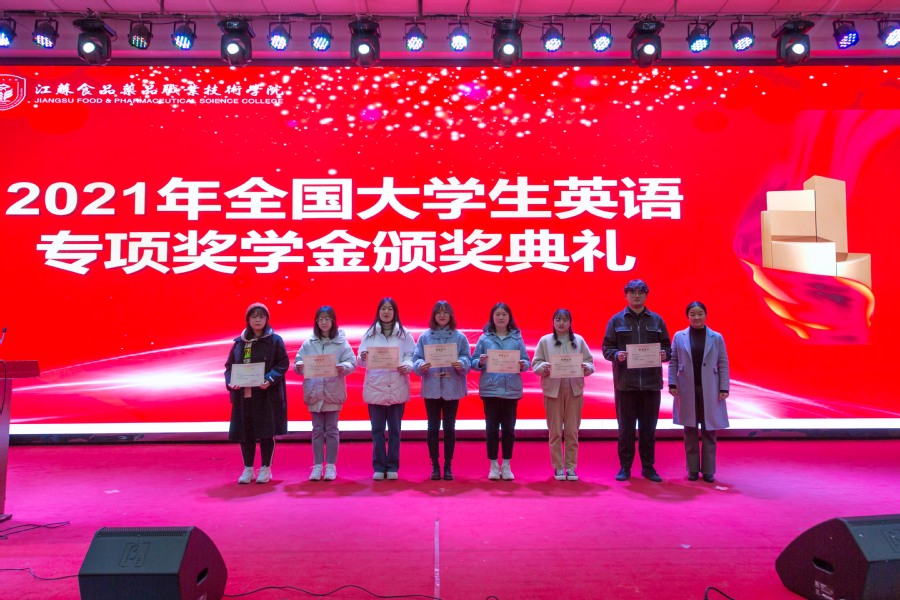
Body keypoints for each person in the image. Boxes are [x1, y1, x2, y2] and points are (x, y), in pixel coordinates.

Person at [602, 280, 671, 483]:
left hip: (651, 384)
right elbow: (607, 348)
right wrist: (617, 355)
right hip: (625, 384)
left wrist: (664, 354)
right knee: (626, 429)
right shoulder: (616, 320)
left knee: (649, 430)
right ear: (626, 296)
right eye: (632, 292)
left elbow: (668, 348)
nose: (637, 296)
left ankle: (648, 467)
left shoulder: (657, 320)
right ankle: (625, 467)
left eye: (641, 292)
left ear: (646, 295)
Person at [225, 302, 289, 485]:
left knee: (267, 432)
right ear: (248, 320)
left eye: (261, 316)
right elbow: (229, 367)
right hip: (244, 396)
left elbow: (283, 364)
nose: (258, 320)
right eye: (254, 317)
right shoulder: (240, 342)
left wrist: (269, 378)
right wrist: (230, 382)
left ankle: (266, 468)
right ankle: (248, 468)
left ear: (267, 319)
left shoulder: (275, 340)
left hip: (266, 394)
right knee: (246, 433)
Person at [668, 301, 730, 483]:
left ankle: (709, 470)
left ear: (705, 315)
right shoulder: (679, 336)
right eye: (692, 314)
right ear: (687, 316)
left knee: (710, 430)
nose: (696, 317)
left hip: (710, 389)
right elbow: (673, 361)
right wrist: (672, 383)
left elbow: (723, 363)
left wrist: (724, 387)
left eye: (700, 313)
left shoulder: (716, 337)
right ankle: (693, 469)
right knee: (690, 431)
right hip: (687, 388)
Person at [294, 306, 356, 482]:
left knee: (332, 430)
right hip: (314, 391)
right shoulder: (309, 343)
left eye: (327, 319)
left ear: (333, 321)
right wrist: (299, 366)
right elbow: (298, 362)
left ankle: (330, 466)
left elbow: (351, 362)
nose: (323, 322)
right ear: (316, 322)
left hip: (332, 391)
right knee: (317, 430)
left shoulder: (341, 342)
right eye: (320, 319)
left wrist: (343, 367)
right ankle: (317, 465)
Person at [532, 308, 595, 481]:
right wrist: (543, 367)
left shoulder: (579, 340)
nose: (561, 323)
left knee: (572, 431)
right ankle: (558, 467)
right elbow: (535, 365)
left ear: (570, 322)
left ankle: (571, 466)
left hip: (574, 390)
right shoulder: (545, 341)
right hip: (553, 391)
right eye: (558, 319)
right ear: (553, 322)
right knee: (555, 431)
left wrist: (586, 367)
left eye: (565, 319)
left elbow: (590, 363)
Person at [357, 297, 416, 481]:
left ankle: (392, 466)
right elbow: (360, 361)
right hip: (376, 386)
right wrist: (363, 357)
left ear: (395, 312)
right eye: (383, 308)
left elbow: (411, 356)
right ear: (378, 312)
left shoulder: (404, 334)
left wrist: (408, 365)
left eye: (390, 309)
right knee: (377, 431)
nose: (386, 312)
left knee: (395, 432)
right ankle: (378, 466)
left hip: (397, 385)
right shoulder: (370, 334)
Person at [413, 301, 472, 481]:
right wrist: (420, 365)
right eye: (438, 312)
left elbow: (467, 360)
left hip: (452, 387)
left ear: (450, 315)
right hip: (431, 387)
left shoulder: (459, 337)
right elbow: (416, 359)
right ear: (434, 316)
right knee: (432, 427)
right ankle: (434, 464)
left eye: (445, 312)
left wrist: (461, 364)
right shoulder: (425, 337)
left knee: (449, 428)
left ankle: (448, 464)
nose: (442, 315)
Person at [472, 302, 530, 481]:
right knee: (491, 429)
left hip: (511, 390)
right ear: (492, 317)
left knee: (509, 430)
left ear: (509, 317)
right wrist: (480, 362)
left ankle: (506, 464)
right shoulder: (484, 338)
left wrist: (522, 365)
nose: (501, 317)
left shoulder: (517, 338)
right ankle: (493, 465)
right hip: (490, 390)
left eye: (504, 314)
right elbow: (473, 362)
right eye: (497, 314)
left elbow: (526, 361)